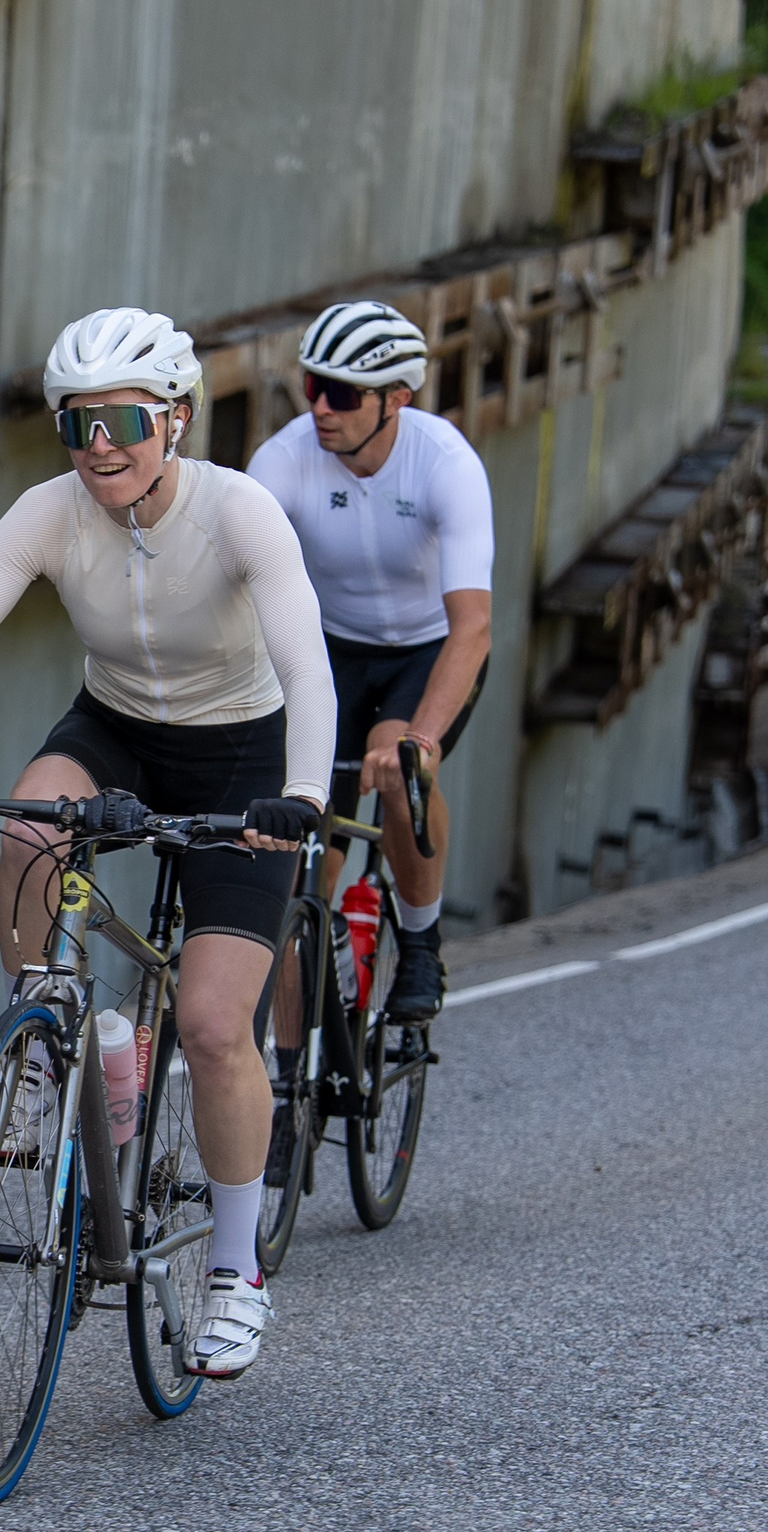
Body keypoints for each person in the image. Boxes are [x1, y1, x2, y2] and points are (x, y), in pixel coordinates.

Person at [0, 307, 335, 1380]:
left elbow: (308, 671)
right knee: (30, 822)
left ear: (173, 418)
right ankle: (46, 1049)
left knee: (216, 1027)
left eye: (122, 419)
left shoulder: (240, 512)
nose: (99, 447)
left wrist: (301, 796)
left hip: (244, 759)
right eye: (76, 426)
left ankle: (232, 1271)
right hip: (115, 729)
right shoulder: (47, 514)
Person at [247, 300, 494, 1020]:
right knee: (297, 846)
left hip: (425, 650)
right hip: (330, 652)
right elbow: (236, 588)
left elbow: (472, 626)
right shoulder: (284, 461)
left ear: (397, 401)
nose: (322, 407)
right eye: (311, 386)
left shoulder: (446, 462)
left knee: (398, 767)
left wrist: (422, 738)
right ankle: (297, 1069)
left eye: (344, 394)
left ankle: (420, 944)